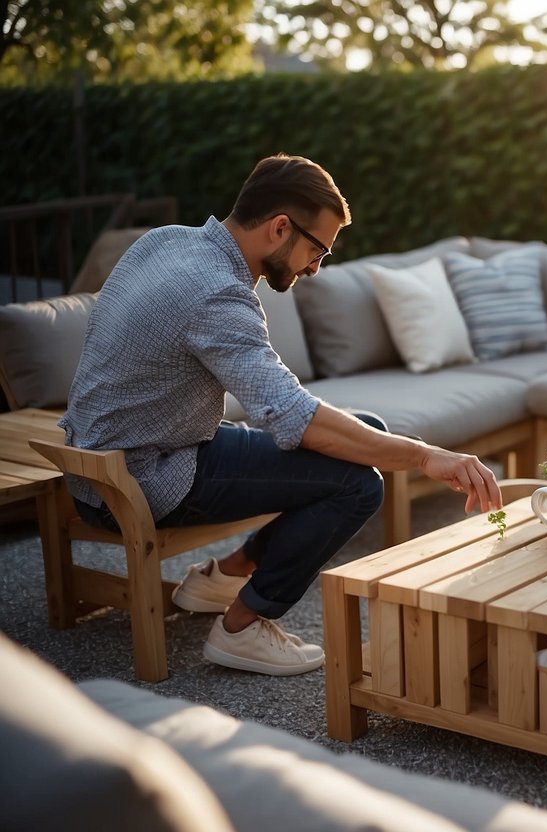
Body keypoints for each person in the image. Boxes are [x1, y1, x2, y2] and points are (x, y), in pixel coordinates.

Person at [60, 153, 502, 676]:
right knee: (360, 485)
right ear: (279, 228)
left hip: (100, 460)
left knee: (371, 435)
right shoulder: (217, 294)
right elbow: (294, 417)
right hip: (141, 477)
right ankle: (241, 628)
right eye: (318, 251)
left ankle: (221, 578)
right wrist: (426, 456)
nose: (316, 268)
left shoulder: (165, 241)